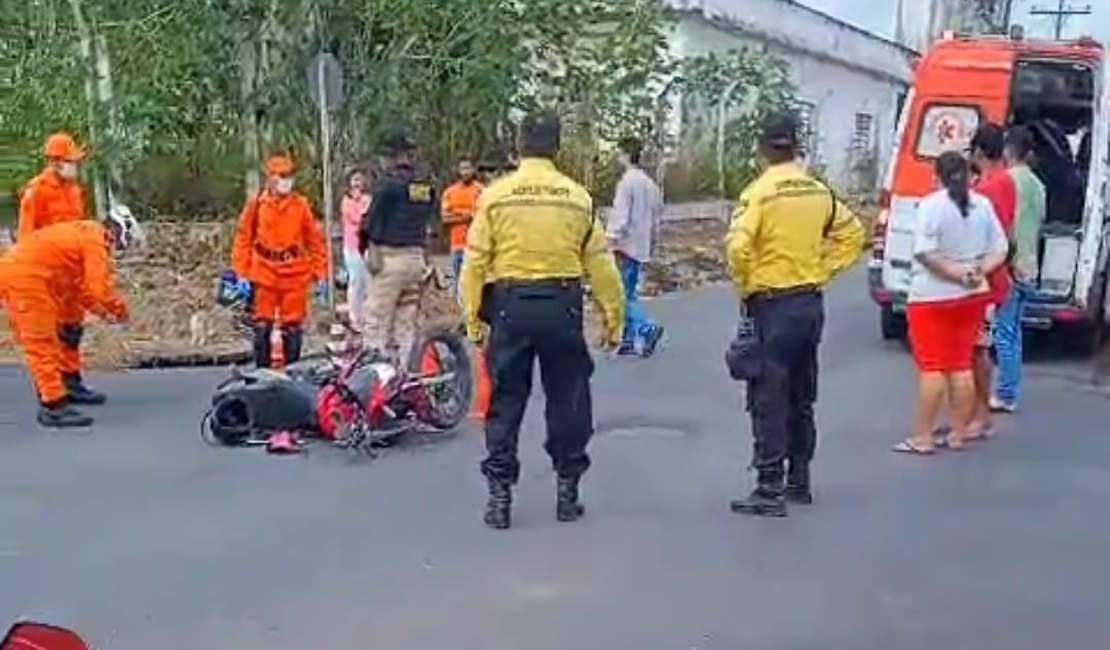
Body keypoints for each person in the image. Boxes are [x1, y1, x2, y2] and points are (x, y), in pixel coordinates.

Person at [460, 111, 625, 530]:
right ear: (556, 147)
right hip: (561, 306)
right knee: (568, 398)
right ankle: (567, 492)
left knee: (506, 401)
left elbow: (474, 265)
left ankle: (500, 498)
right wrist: (614, 317)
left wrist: (473, 320)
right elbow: (602, 265)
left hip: (510, 305)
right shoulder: (577, 197)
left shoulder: (496, 196)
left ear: (519, 145)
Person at [724, 112, 864, 518]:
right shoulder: (818, 191)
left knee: (768, 394)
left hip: (772, 304)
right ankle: (798, 480)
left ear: (763, 150)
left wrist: (746, 284)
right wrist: (823, 268)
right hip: (809, 303)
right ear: (795, 146)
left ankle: (769, 487)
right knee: (802, 393)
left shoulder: (760, 193)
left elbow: (737, 248)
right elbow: (853, 234)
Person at [895, 151, 1009, 456]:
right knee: (961, 364)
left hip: (932, 296)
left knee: (933, 367)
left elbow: (924, 252)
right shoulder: (983, 205)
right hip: (974, 296)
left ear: (937, 176)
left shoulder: (931, 206)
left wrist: (955, 273)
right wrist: (976, 271)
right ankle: (958, 433)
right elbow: (1001, 248)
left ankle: (923, 437)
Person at [0, 220, 131, 428]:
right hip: (25, 279)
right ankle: (53, 406)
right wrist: (120, 310)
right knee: (42, 343)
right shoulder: (96, 241)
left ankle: (69, 384)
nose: (114, 252)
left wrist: (102, 312)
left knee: (70, 329)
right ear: (116, 235)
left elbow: (81, 288)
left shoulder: (82, 238)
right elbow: (99, 289)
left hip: (38, 276)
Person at [17, 132, 106, 405]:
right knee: (49, 333)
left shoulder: (74, 191)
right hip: (47, 272)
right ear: (56, 162)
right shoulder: (37, 191)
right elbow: (26, 236)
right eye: (71, 161)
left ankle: (72, 381)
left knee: (71, 329)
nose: (76, 166)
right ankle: (51, 392)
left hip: (71, 272)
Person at [230, 154, 328, 367]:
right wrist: (241, 273)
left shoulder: (300, 205)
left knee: (292, 327)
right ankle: (261, 373)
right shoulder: (257, 205)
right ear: (271, 179)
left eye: (289, 176)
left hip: (294, 272)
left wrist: (321, 274)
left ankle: (293, 372)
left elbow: (315, 241)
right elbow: (243, 238)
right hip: (264, 270)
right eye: (282, 176)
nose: (287, 181)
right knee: (262, 325)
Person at [358, 131, 436, 360]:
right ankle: (407, 376)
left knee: (376, 321)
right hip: (416, 260)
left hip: (389, 260)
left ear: (393, 157)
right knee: (406, 322)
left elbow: (370, 222)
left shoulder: (387, 186)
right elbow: (429, 223)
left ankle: (375, 379)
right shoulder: (425, 187)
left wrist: (368, 247)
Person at [964, 123, 1016, 442]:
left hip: (982, 284)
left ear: (979, 152)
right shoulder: (1006, 182)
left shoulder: (984, 193)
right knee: (975, 349)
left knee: (976, 350)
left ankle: (980, 417)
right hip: (996, 279)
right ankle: (974, 415)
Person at [992, 126, 1046, 413]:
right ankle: (1009, 389)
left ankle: (1006, 393)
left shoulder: (1006, 181)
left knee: (1004, 332)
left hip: (1011, 267)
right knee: (1015, 332)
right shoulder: (1038, 185)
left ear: (1008, 151)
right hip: (1030, 265)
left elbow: (1004, 224)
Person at [607, 136, 665, 357]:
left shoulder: (626, 183)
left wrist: (610, 239)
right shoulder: (650, 184)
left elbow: (621, 217)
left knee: (621, 295)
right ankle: (628, 341)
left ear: (624, 154)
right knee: (628, 292)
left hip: (624, 246)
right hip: (641, 246)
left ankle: (646, 327)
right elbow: (657, 216)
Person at [440, 158, 485, 301]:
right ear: (458, 171)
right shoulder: (450, 192)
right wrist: (468, 215)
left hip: (477, 245)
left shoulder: (482, 191)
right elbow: (445, 218)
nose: (465, 172)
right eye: (462, 169)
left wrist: (458, 213)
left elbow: (483, 217)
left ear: (473, 170)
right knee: (457, 283)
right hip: (457, 244)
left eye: (468, 168)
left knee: (477, 284)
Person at [340, 170, 372, 331]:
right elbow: (357, 218)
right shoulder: (346, 201)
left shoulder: (368, 199)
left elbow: (370, 218)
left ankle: (366, 317)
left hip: (367, 245)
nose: (357, 183)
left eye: (360, 179)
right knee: (355, 281)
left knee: (367, 282)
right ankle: (354, 317)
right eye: (354, 180)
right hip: (352, 245)